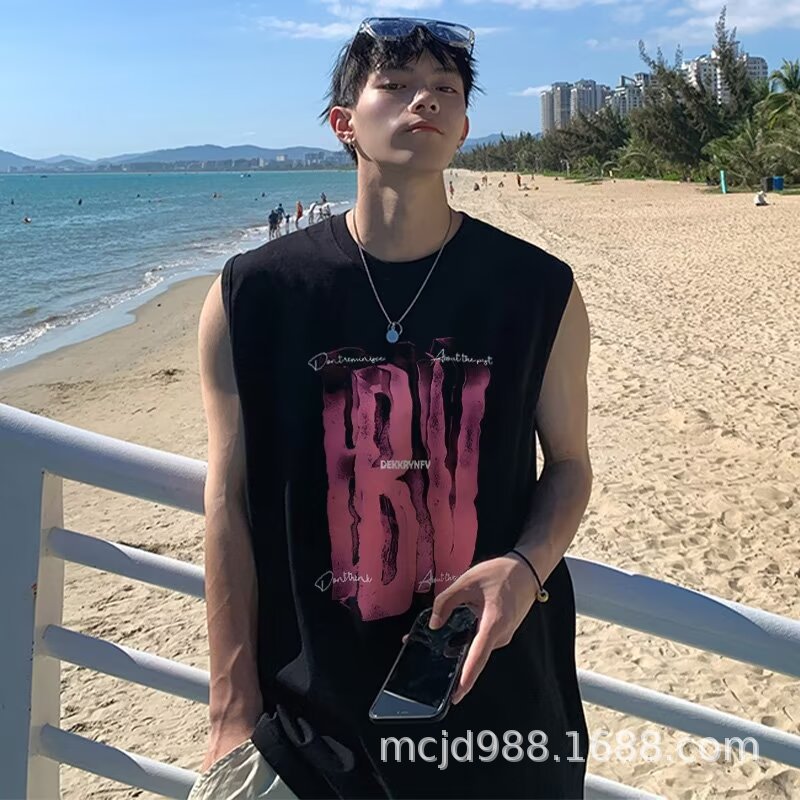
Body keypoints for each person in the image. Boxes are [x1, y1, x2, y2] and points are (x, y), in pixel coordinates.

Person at [196, 15, 591, 800]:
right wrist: (231, 705)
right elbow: (227, 501)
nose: (425, 100)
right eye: (397, 85)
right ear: (344, 123)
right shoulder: (255, 293)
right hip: (311, 716)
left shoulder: (540, 289)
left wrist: (526, 566)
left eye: (445, 89)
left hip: (498, 705)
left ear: (464, 128)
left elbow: (571, 466)